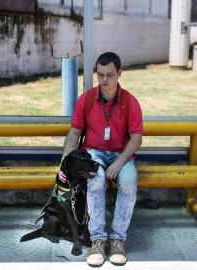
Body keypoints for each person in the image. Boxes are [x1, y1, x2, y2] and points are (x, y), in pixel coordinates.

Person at [59, 52, 143, 266]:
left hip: (120, 154)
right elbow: (74, 134)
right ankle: (97, 240)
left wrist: (120, 161)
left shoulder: (130, 101)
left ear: (120, 73)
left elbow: (136, 138)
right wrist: (65, 162)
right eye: (100, 74)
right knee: (95, 182)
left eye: (110, 75)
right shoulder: (86, 99)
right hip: (93, 154)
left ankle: (117, 240)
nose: (104, 80)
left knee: (129, 182)